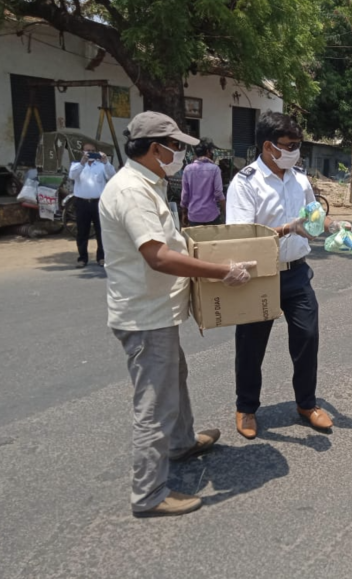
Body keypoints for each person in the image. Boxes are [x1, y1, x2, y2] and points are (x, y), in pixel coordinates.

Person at [99, 112, 256, 517]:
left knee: (175, 380)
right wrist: (223, 271)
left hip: (156, 313)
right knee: (155, 405)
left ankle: (181, 443)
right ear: (156, 149)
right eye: (176, 147)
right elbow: (159, 256)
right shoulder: (132, 190)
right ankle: (148, 494)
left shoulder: (145, 183)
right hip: (144, 317)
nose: (180, 154)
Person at [226, 111, 352, 439]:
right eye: (290, 145)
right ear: (269, 146)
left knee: (307, 338)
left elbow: (313, 216)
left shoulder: (298, 178)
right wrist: (287, 228)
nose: (296, 151)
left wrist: (333, 225)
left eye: (298, 145)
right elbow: (242, 237)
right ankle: (247, 408)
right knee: (252, 345)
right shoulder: (245, 183)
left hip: (296, 273)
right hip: (260, 276)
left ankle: (307, 404)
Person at [68, 142, 116, 267]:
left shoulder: (101, 166)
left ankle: (101, 257)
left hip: (98, 202)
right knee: (82, 232)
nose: (89, 153)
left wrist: (106, 162)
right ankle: (82, 258)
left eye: (92, 150)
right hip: (82, 202)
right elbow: (72, 176)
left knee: (101, 231)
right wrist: (82, 162)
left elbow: (112, 176)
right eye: (87, 151)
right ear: (82, 152)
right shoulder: (76, 165)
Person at [180, 138, 225, 226]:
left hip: (194, 215)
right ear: (208, 152)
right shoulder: (215, 169)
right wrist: (225, 211)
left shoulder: (188, 169)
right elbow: (218, 192)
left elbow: (185, 194)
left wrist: (184, 213)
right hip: (211, 215)